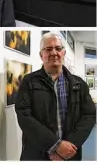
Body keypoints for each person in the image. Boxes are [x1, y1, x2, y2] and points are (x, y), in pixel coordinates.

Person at [15, 33, 96, 161]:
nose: (54, 52)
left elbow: (89, 115)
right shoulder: (29, 81)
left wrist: (68, 146)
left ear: (63, 53)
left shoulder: (79, 84)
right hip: (37, 153)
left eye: (58, 48)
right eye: (48, 49)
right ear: (41, 55)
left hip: (70, 154)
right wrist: (55, 145)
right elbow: (24, 116)